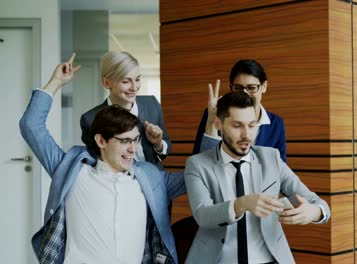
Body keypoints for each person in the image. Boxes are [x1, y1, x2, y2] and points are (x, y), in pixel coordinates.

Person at [20, 53, 185, 264]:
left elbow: (198, 173)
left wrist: (214, 128)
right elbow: (31, 126)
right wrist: (56, 83)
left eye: (135, 140)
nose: (132, 149)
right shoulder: (72, 170)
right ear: (100, 141)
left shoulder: (150, 179)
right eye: (124, 141)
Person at [184, 91, 330, 264]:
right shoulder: (197, 164)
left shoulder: (272, 159)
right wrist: (241, 204)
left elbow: (317, 203)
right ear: (218, 124)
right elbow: (203, 215)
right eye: (237, 126)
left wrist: (315, 212)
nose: (247, 135)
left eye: (252, 125)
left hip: (269, 260)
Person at [81, 51, 170, 170]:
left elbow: (165, 149)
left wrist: (158, 143)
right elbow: (96, 163)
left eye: (137, 79)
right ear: (107, 83)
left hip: (155, 179)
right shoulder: (90, 119)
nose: (134, 87)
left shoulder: (152, 105)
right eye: (126, 81)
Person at [192, 59, 287, 162]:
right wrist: (211, 122)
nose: (245, 93)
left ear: (264, 87)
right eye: (238, 88)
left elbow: (280, 166)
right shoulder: (214, 115)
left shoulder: (276, 123)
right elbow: (198, 162)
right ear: (231, 88)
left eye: (251, 88)